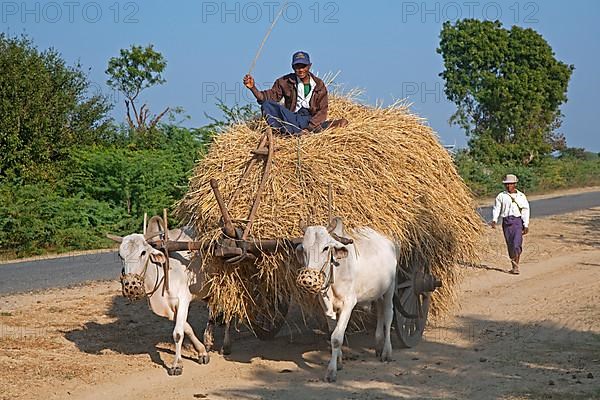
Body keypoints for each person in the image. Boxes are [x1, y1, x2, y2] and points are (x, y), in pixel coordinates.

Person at [243, 51, 347, 135]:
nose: (300, 70)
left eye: (303, 66)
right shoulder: (285, 81)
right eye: (297, 66)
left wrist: (308, 128)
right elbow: (267, 97)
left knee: (337, 123)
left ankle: (305, 130)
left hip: (309, 120)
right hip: (291, 117)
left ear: (309, 66)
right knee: (266, 105)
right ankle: (289, 130)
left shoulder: (319, 85)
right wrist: (253, 88)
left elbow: (322, 111)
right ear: (293, 67)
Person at [490, 174, 530, 275]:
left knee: (517, 244)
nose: (508, 186)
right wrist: (494, 220)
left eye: (511, 184)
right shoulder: (501, 196)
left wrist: (526, 224)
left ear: (515, 184)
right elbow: (497, 208)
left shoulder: (521, 196)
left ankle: (516, 266)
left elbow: (525, 210)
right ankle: (513, 265)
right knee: (510, 244)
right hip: (506, 222)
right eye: (507, 184)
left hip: (517, 222)